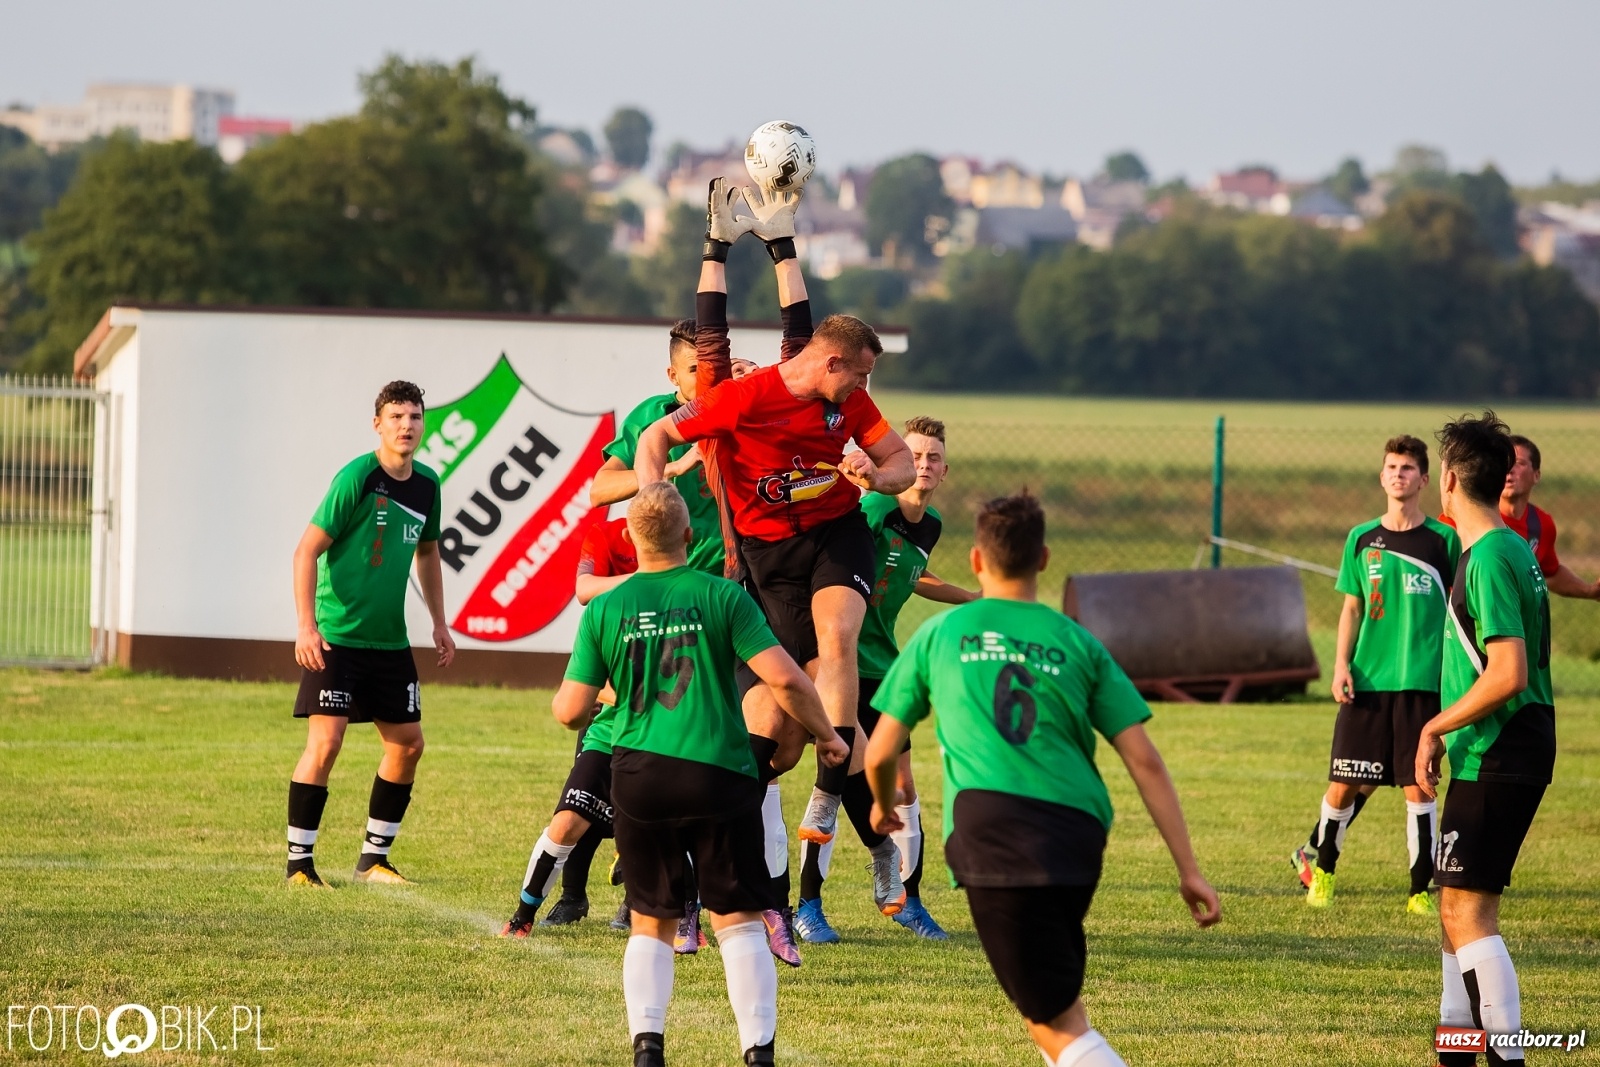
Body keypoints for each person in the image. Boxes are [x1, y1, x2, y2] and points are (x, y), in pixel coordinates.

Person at [633, 179, 917, 953]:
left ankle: (834, 825)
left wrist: (780, 239)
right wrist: (718, 243)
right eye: (856, 373)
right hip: (758, 567)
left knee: (839, 649)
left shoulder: (837, 395)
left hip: (832, 536)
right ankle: (714, 882)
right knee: (773, 734)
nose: (864, 389)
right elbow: (717, 345)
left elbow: (804, 324)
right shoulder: (733, 400)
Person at [865, 493, 1221, 1067]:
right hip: (1078, 833)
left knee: (1050, 1024)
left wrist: (884, 808)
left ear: (977, 561)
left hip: (995, 833)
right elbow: (1145, 760)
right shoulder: (1078, 642)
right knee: (1062, 1008)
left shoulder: (942, 634)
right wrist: (1189, 870)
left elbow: (880, 752)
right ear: (1045, 559)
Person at [551, 482, 847, 1067]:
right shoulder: (722, 596)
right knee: (736, 920)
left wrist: (618, 692)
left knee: (650, 919)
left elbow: (567, 711)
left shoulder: (605, 608)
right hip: (719, 773)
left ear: (632, 541)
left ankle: (648, 1050)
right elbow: (786, 680)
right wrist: (829, 735)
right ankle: (757, 1053)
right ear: (690, 536)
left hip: (640, 775)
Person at [794, 416, 977, 944]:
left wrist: (972, 598)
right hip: (840, 665)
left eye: (933, 458)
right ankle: (807, 905)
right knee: (836, 772)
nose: (923, 465)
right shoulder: (872, 509)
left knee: (902, 786)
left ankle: (908, 902)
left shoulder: (932, 524)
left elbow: (910, 576)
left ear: (944, 471)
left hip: (885, 668)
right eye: (914, 455)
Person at [1417, 412, 1554, 1067]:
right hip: (1490, 747)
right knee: (1455, 904)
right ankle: (1457, 1053)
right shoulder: (1504, 548)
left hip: (1502, 749)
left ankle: (1506, 1056)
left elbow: (1508, 671)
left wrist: (1435, 725)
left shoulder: (1493, 556)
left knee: (1471, 913)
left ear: (1447, 479)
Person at [284, 380, 456, 888]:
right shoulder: (357, 477)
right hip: (337, 639)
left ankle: (373, 861)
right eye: (397, 416)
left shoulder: (427, 484)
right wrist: (305, 628)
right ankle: (299, 866)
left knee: (408, 745)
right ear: (378, 424)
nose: (407, 425)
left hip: (389, 643)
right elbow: (305, 551)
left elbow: (427, 553)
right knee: (327, 743)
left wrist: (440, 622)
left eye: (415, 417)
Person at [1291, 436, 1460, 913]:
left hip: (1423, 683)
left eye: (1408, 468)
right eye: (1392, 466)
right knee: (1342, 786)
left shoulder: (1443, 540)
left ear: (1424, 479)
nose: (1399, 474)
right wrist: (1342, 665)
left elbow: (1456, 611)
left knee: (1419, 788)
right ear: (1382, 475)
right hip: (1367, 683)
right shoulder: (1362, 538)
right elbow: (1351, 608)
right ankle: (1321, 874)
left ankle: (1417, 893)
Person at [499, 515, 634, 936]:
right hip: (609, 733)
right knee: (568, 821)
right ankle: (523, 917)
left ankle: (679, 917)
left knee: (675, 830)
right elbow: (581, 697)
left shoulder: (699, 597)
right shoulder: (606, 609)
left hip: (670, 740)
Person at [1499, 435, 1600, 600]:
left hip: (1523, 623)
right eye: (1504, 462)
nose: (1510, 469)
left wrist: (1589, 591)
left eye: (1519, 463)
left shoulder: (1541, 524)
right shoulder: (1472, 517)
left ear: (1536, 476)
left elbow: (1550, 573)